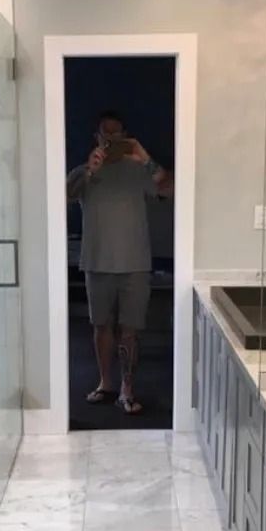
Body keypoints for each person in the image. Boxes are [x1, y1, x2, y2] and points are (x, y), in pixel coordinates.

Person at [66, 110, 169, 415]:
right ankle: (104, 383)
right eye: (105, 134)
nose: (111, 140)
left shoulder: (138, 170)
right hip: (96, 262)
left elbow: (168, 187)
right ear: (97, 137)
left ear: (124, 137)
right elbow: (64, 197)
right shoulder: (82, 172)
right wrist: (90, 171)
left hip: (135, 263)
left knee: (130, 330)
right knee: (100, 326)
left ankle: (127, 389)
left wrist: (144, 157)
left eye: (117, 135)